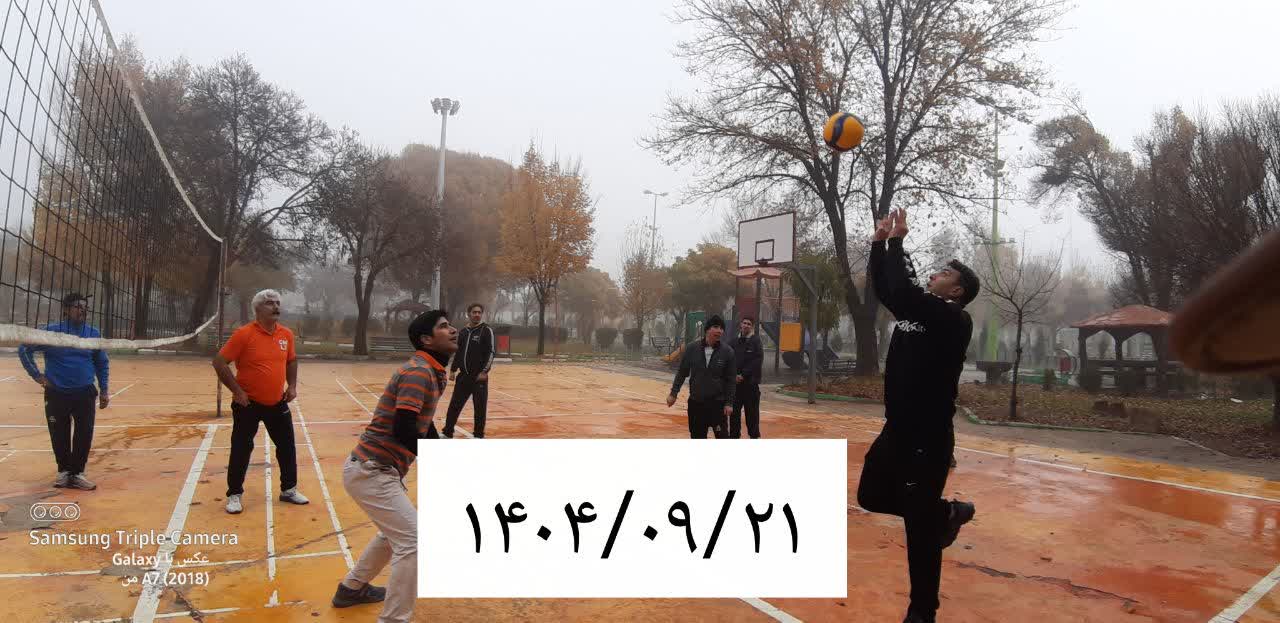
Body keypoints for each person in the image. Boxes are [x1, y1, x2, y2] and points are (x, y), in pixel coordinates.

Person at [856, 208, 980, 623]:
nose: (936, 273)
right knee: (870, 495)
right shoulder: (917, 312)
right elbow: (889, 289)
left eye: (945, 273)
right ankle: (944, 513)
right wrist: (878, 245)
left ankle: (923, 611)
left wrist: (898, 241)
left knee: (918, 529)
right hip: (898, 429)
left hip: (928, 436)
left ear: (957, 290)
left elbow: (905, 292)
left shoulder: (953, 318)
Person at [331, 310, 458, 622]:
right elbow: (403, 428)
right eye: (444, 327)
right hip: (371, 470)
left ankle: (351, 589)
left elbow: (422, 423)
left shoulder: (433, 371)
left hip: (377, 470)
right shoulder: (419, 372)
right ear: (427, 339)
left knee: (394, 534)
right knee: (413, 541)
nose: (453, 330)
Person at [212, 289, 308, 514]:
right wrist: (237, 391)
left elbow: (291, 361)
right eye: (269, 303)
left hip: (277, 402)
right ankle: (234, 494)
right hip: (248, 404)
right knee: (241, 448)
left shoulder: (286, 334)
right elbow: (219, 362)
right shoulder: (244, 334)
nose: (275, 306)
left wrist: (292, 386)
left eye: (277, 303)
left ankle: (289, 490)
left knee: (286, 446)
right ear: (257, 309)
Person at [17, 292, 110, 490]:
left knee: (84, 434)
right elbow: (24, 349)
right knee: (59, 434)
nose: (82, 310)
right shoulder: (51, 333)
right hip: (57, 393)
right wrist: (37, 375)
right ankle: (64, 472)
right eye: (77, 306)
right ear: (66, 310)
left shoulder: (93, 333)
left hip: (84, 393)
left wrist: (104, 390)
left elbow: (102, 363)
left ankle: (77, 474)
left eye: (85, 307)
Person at [666, 315, 736, 439]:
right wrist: (673, 393)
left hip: (718, 405)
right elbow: (682, 372)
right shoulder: (692, 348)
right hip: (696, 403)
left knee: (722, 437)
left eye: (721, 328)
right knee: (697, 437)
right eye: (716, 327)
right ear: (707, 329)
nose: (719, 331)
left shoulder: (727, 352)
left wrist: (729, 403)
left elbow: (730, 380)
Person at [443, 302, 495, 439]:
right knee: (454, 405)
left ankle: (478, 435)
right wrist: (453, 369)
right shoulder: (464, 332)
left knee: (480, 408)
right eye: (474, 312)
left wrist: (484, 372)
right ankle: (447, 432)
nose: (477, 314)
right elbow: (458, 352)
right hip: (463, 376)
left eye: (479, 312)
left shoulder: (486, 330)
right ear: (469, 314)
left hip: (479, 377)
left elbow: (491, 352)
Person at [730, 316, 764, 439]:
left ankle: (754, 437)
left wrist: (743, 375)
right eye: (744, 323)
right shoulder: (733, 342)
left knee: (752, 415)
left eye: (749, 324)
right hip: (735, 386)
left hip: (750, 385)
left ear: (752, 327)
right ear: (741, 324)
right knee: (734, 414)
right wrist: (733, 375)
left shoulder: (756, 341)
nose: (746, 325)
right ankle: (734, 437)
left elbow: (757, 361)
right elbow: (729, 360)